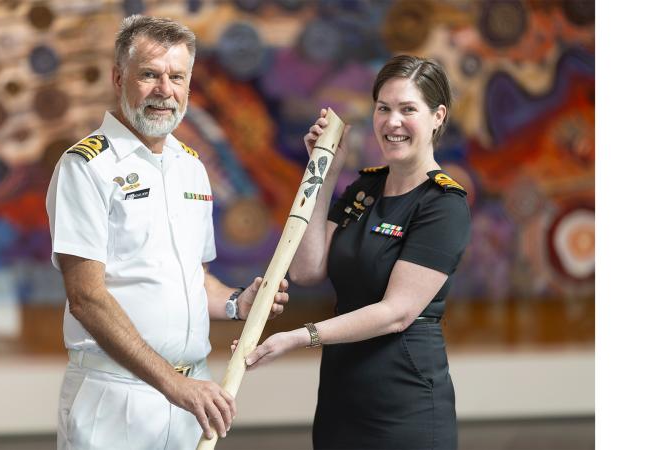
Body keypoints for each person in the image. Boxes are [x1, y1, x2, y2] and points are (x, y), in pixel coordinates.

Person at [46, 15, 289, 450]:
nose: (165, 90)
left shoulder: (192, 167)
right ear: (119, 77)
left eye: (177, 77)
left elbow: (191, 279)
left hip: (192, 398)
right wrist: (173, 386)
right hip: (115, 397)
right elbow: (86, 299)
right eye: (150, 75)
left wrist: (237, 302)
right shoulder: (86, 167)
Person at [237, 55, 471, 449]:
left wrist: (299, 337)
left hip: (405, 403)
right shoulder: (364, 189)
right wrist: (325, 172)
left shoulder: (443, 204)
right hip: (341, 396)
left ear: (437, 116)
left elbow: (397, 313)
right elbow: (308, 269)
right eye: (384, 108)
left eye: (408, 109)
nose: (392, 122)